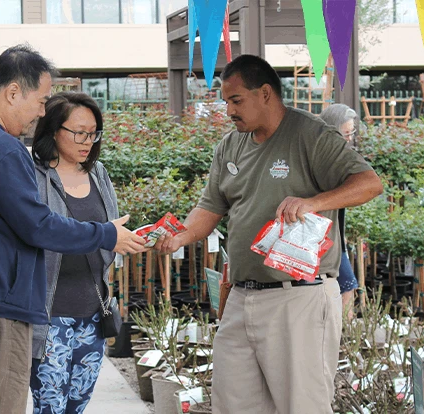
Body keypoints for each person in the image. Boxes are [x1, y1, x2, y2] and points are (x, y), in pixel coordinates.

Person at [155, 55, 383, 414]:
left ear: (265, 93)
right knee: (232, 404)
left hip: (300, 298)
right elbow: (210, 208)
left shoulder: (311, 134)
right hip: (242, 295)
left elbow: (369, 184)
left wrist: (314, 202)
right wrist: (178, 236)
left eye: (236, 100)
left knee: (302, 406)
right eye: (225, 101)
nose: (228, 110)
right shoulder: (230, 145)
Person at [0, 44, 146, 414]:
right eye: (41, 101)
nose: (41, 112)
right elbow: (39, 227)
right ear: (13, 92)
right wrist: (106, 234)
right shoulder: (3, 149)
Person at [29, 92, 116, 413]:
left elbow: (110, 233)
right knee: (50, 406)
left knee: (77, 405)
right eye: (79, 132)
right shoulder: (33, 176)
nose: (88, 141)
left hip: (93, 313)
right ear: (53, 130)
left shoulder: (98, 174)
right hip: (49, 315)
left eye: (94, 133)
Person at [320, 103, 361, 320]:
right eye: (346, 133)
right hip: (321, 237)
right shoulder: (321, 159)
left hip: (334, 236)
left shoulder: (339, 157)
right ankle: (341, 334)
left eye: (351, 133)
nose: (349, 139)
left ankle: (342, 334)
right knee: (347, 286)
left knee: (346, 286)